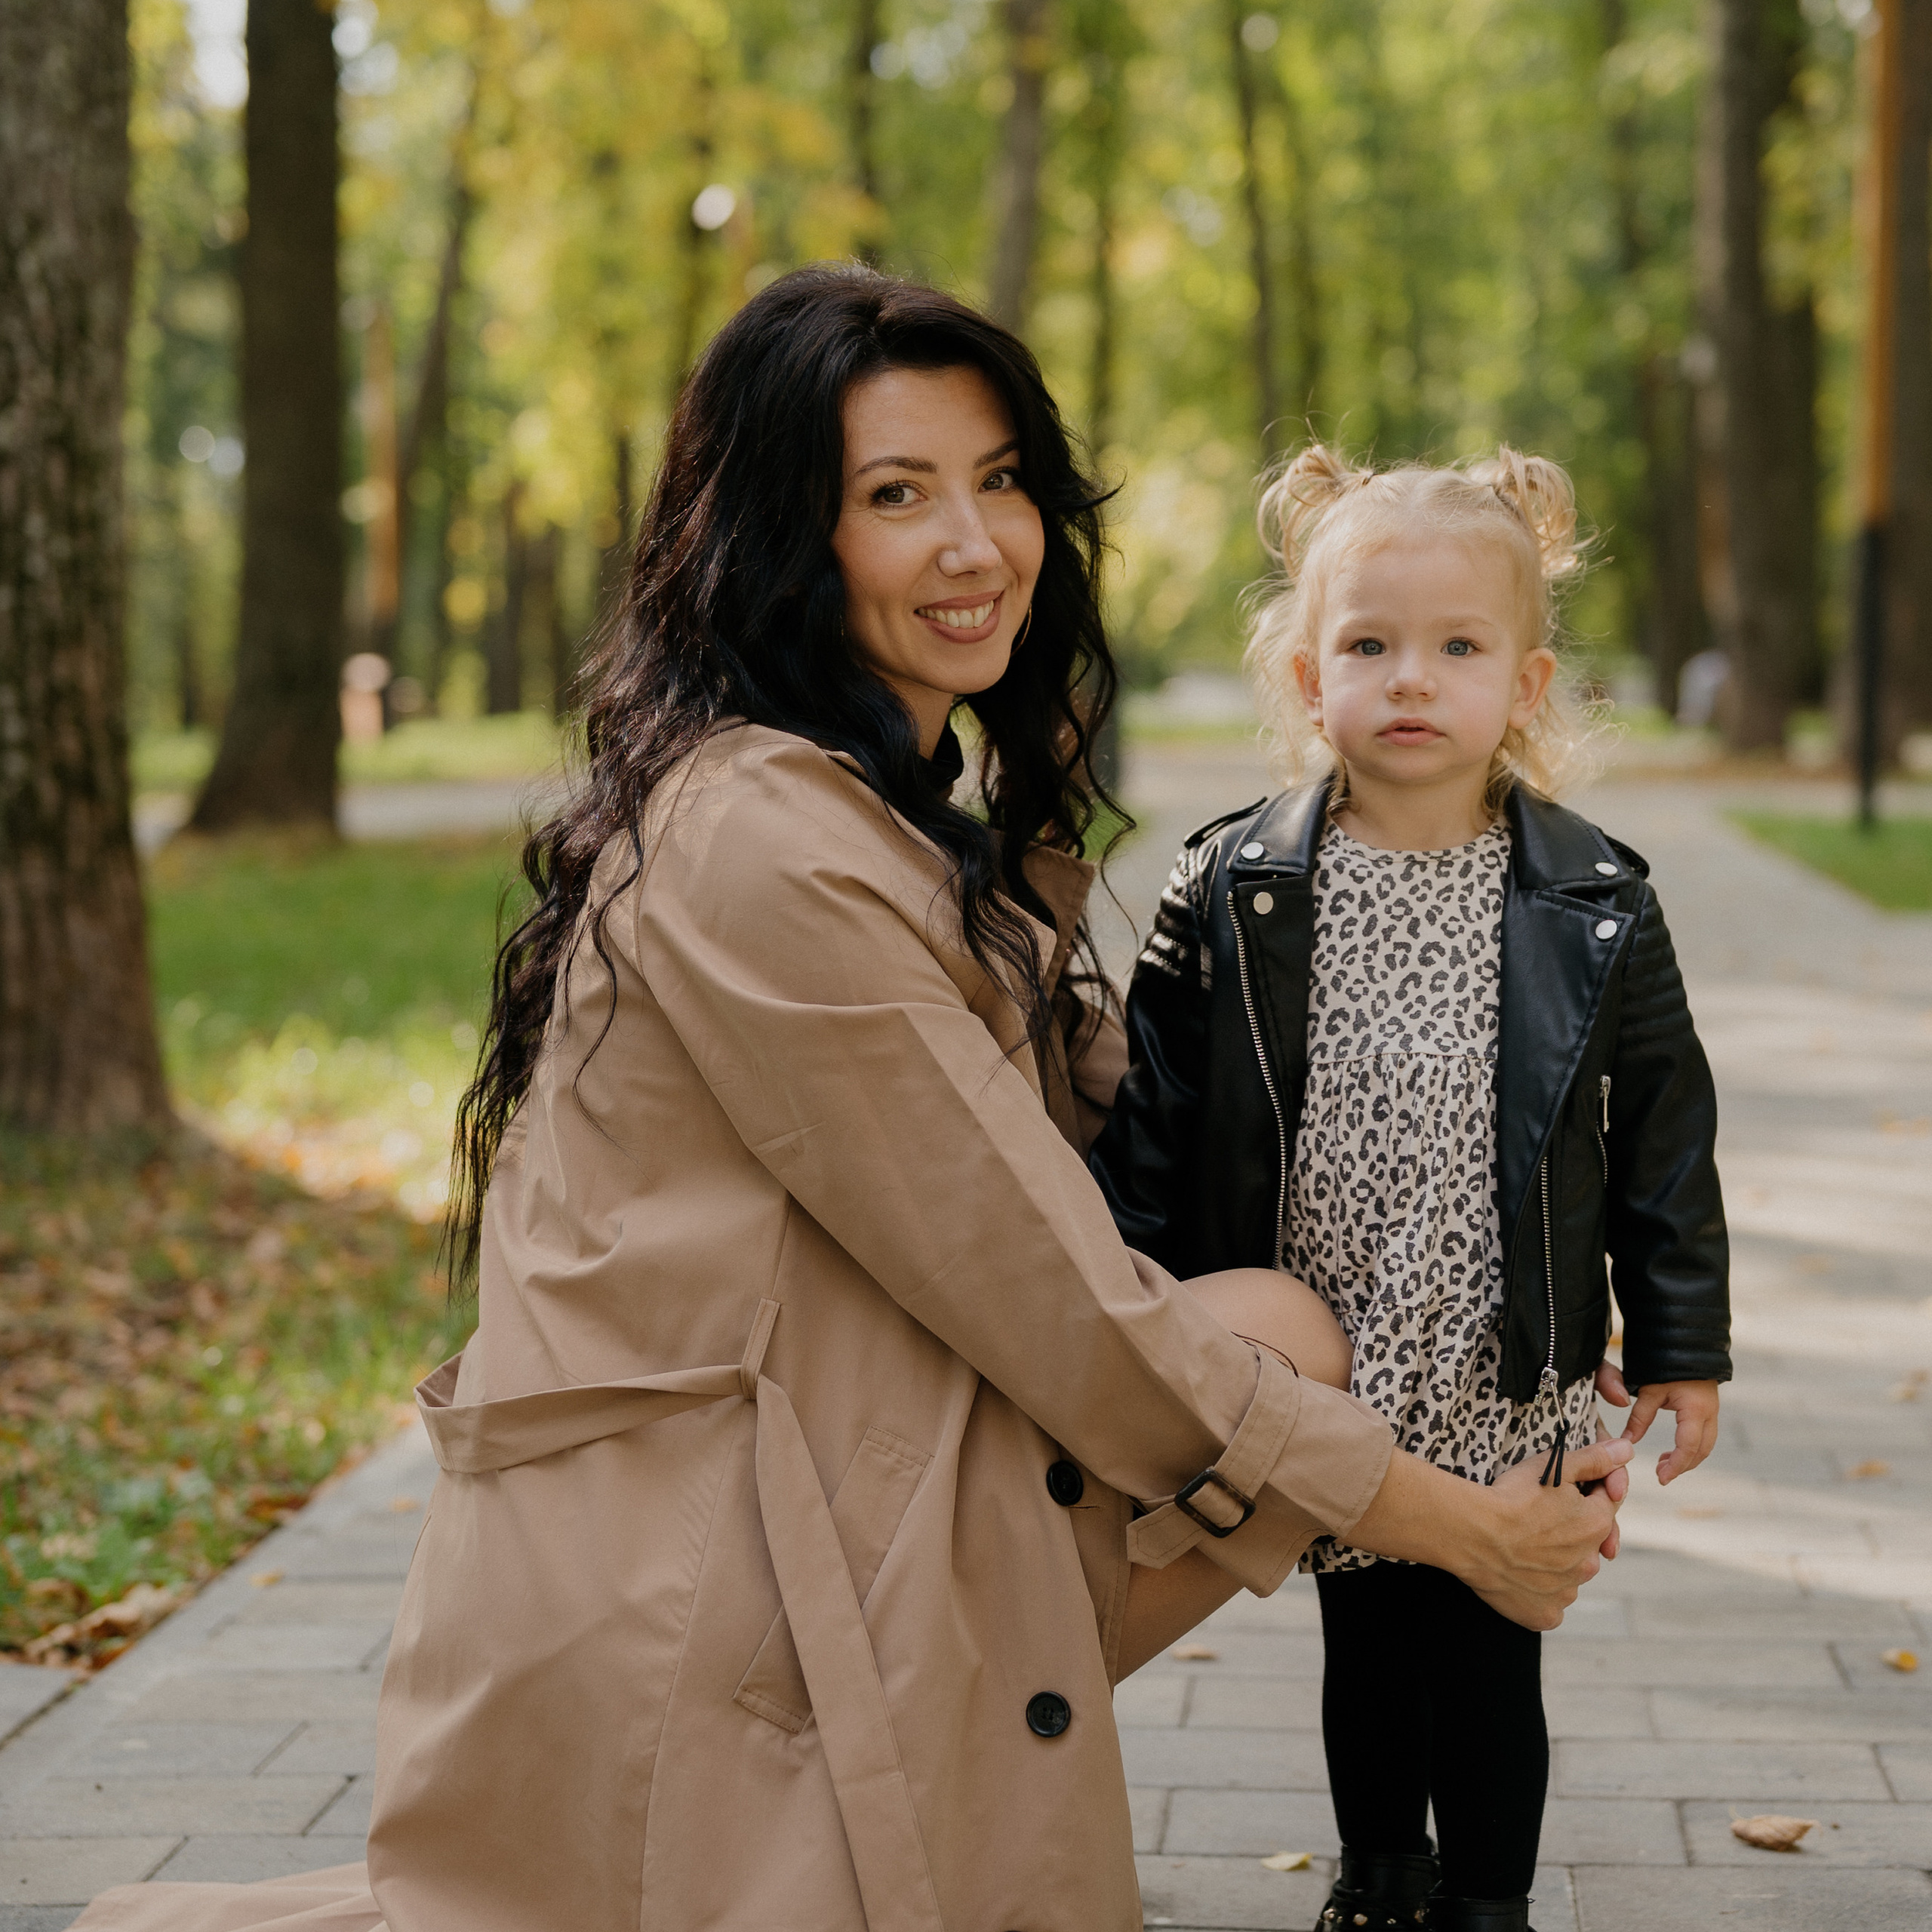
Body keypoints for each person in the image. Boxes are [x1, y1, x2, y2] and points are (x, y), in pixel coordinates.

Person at [73, 276, 1630, 1932]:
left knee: (1278, 1325)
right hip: (703, 1591)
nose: (975, 542)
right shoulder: (764, 840)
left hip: (815, 1462)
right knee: (1263, 1351)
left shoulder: (898, 810)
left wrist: (1505, 1294)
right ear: (782, 540)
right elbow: (1065, 1307)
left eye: (1001, 478)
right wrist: (1465, 1528)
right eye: (897, 496)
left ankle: (928, 1773)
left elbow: (1165, 1139)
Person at [1091, 444, 1730, 1932]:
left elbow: (1664, 1143)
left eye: (1455, 646)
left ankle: (1489, 1894)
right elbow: (1155, 1126)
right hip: (1334, 1346)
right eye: (1367, 645)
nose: (1409, 678)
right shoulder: (1238, 890)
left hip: (1506, 1352)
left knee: (1492, 1637)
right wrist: (1137, 1328)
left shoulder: (1593, 906)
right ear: (1310, 681)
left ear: (1524, 681)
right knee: (1367, 1632)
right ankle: (1379, 1871)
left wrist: (1683, 1344)